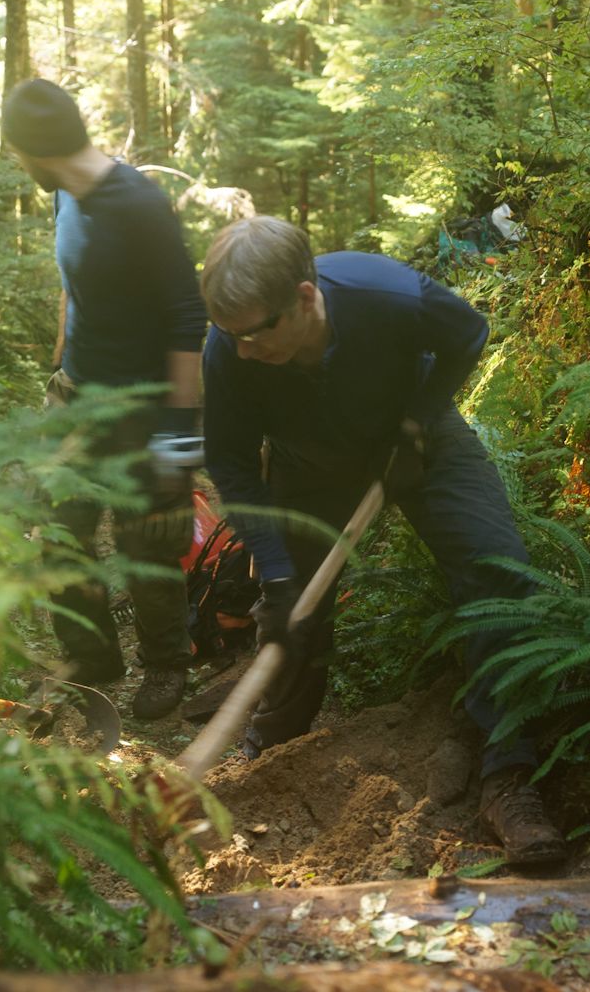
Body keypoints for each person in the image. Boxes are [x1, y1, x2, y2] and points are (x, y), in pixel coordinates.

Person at [199, 215, 565, 866]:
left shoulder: (390, 296)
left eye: (254, 332)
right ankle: (265, 756)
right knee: (294, 616)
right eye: (231, 335)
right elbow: (228, 461)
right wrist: (277, 568)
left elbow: (469, 334)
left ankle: (508, 773)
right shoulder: (229, 348)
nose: (241, 350)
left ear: (306, 299)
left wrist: (417, 423)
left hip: (417, 440)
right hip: (308, 467)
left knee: (500, 569)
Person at [1, 78, 207, 720]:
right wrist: (62, 367)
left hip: (143, 408)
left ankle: (167, 666)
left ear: (34, 150)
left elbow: (185, 318)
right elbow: (76, 283)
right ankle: (92, 663)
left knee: (150, 538)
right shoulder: (63, 191)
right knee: (61, 536)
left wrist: (179, 442)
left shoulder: (139, 203)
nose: (15, 163)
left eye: (14, 151)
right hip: (77, 396)